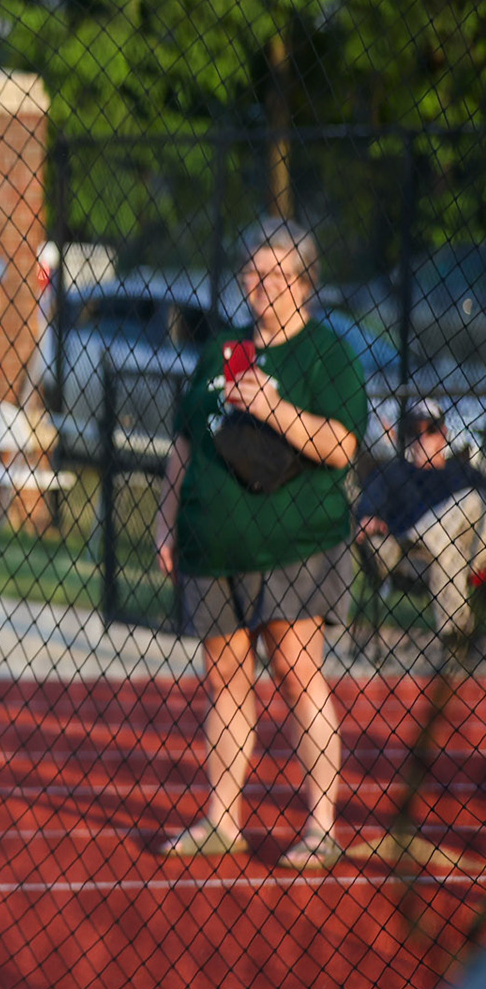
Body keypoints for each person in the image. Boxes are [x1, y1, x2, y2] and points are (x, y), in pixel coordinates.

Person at [155, 218, 366, 869]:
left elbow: (342, 446)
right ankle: (222, 819)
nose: (264, 285)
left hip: (295, 543)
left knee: (299, 675)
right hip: (214, 546)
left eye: (279, 274)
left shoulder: (326, 354)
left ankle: (322, 828)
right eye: (255, 272)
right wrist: (166, 522)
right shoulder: (220, 350)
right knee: (226, 683)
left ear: (305, 284)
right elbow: (185, 444)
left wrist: (276, 410)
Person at [356, 398, 486, 648]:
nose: (421, 438)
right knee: (447, 552)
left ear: (444, 434)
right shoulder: (394, 473)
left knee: (473, 498)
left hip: (473, 552)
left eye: (431, 430)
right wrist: (368, 517)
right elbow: (368, 509)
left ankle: (419, 536)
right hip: (414, 561)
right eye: (413, 432)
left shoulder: (461, 472)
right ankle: (456, 642)